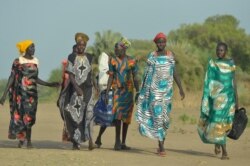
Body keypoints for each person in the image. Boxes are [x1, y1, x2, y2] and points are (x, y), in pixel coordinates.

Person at [0, 40, 60, 148]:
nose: (34, 49)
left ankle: (24, 139)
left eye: (34, 47)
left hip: (32, 94)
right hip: (20, 94)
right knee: (22, 116)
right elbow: (12, 77)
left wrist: (49, 84)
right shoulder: (18, 61)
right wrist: (4, 95)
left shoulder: (36, 61)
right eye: (31, 47)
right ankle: (27, 141)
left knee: (30, 117)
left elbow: (35, 78)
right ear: (25, 49)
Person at [136, 32, 185, 157]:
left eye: (163, 42)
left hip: (167, 93)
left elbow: (175, 72)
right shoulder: (152, 56)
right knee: (157, 117)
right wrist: (142, 92)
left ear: (166, 42)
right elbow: (146, 75)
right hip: (154, 92)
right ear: (155, 43)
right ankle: (162, 147)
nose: (161, 44)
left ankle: (160, 142)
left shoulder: (170, 56)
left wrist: (180, 88)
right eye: (159, 42)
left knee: (165, 119)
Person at [197, 42, 238, 160]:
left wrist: (237, 100)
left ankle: (217, 142)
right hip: (216, 101)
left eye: (221, 50)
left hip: (229, 100)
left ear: (226, 51)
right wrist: (208, 98)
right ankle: (225, 152)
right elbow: (208, 81)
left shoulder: (231, 63)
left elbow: (233, 82)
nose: (219, 52)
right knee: (218, 123)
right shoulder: (213, 64)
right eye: (217, 50)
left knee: (225, 125)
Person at [57, 33, 97, 150]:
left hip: (88, 90)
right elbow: (70, 75)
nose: (81, 47)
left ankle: (90, 141)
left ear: (86, 46)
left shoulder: (90, 57)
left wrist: (95, 85)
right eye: (79, 45)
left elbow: (91, 74)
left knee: (89, 114)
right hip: (75, 92)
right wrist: (77, 88)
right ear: (76, 45)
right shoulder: (71, 57)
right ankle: (76, 142)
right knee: (76, 116)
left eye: (83, 45)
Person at [103, 38, 140, 150]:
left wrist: (138, 92)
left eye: (117, 49)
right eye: (115, 49)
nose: (115, 51)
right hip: (117, 91)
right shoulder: (113, 61)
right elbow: (111, 76)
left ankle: (123, 142)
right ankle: (117, 141)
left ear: (123, 50)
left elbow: (136, 77)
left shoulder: (131, 61)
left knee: (126, 118)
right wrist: (107, 91)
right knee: (118, 116)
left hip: (128, 92)